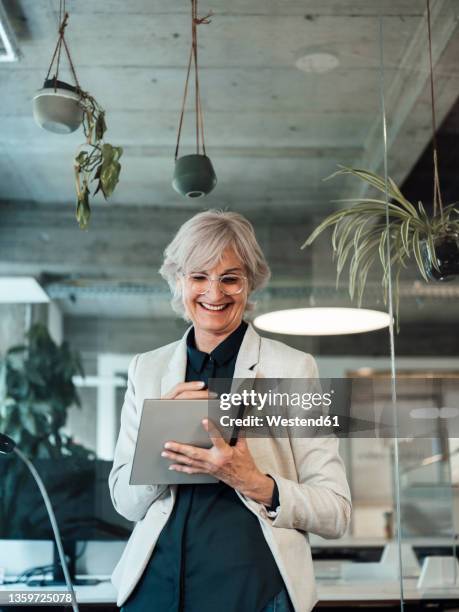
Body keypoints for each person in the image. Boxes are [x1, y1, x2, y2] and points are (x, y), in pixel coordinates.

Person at [109, 210, 351, 612]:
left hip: (251, 590)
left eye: (230, 278)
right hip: (155, 590)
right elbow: (125, 501)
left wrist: (255, 482)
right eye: (199, 276)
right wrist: (156, 445)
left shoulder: (293, 368)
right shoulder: (146, 369)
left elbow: (336, 511)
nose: (214, 293)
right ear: (178, 280)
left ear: (249, 283)